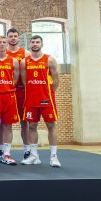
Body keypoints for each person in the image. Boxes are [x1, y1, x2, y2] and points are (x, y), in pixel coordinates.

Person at [21, 35, 61, 167]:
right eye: (32, 42)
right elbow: (24, 81)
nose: (35, 44)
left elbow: (56, 80)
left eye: (37, 42)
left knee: (51, 125)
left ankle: (54, 156)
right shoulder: (24, 62)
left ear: (41, 44)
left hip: (46, 99)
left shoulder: (49, 60)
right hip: (31, 100)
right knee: (31, 126)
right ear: (29, 44)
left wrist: (49, 93)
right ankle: (34, 156)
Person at [0, 36, 20, 166]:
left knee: (8, 125)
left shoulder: (13, 61)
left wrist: (7, 86)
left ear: (7, 45)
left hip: (9, 96)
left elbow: (15, 79)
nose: (2, 44)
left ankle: (6, 154)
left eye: (4, 42)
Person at [5, 28, 30, 160]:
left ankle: (26, 149)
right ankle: (3, 150)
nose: (13, 38)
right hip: (6, 92)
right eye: (11, 36)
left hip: (21, 91)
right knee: (3, 122)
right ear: (7, 38)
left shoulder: (25, 53)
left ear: (18, 38)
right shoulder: (3, 53)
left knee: (24, 122)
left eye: (15, 36)